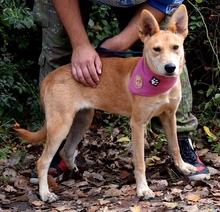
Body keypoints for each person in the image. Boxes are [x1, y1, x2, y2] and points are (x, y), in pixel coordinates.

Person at [31, 0, 210, 183]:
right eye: (158, 50)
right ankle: (54, 151)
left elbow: (165, 3)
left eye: (174, 49)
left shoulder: (173, 38)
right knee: (59, 51)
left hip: (150, 4)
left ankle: (182, 147)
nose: (168, 59)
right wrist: (80, 45)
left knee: (169, 60)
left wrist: (120, 42)